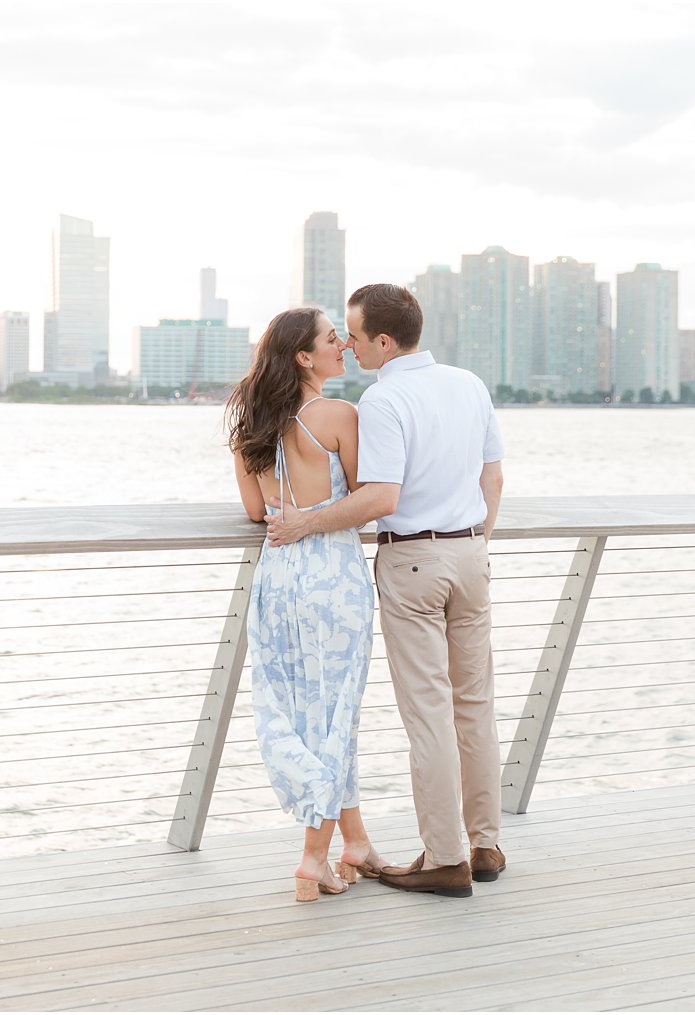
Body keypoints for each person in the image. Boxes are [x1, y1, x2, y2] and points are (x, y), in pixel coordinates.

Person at [265, 283, 505, 899]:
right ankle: (485, 845)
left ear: (383, 341)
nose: (347, 343)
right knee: (474, 704)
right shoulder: (469, 384)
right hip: (471, 552)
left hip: (414, 563)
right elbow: (493, 475)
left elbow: (379, 498)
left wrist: (302, 522)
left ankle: (445, 859)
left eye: (353, 333)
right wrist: (476, 540)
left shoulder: (382, 400)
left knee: (428, 713)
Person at [226, 306, 388, 902]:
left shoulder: (252, 426)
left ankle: (356, 843)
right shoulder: (339, 416)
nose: (342, 345)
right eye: (330, 339)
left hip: (277, 579)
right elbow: (371, 497)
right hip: (332, 576)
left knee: (304, 709)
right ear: (303, 356)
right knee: (335, 711)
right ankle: (312, 859)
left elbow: (253, 512)